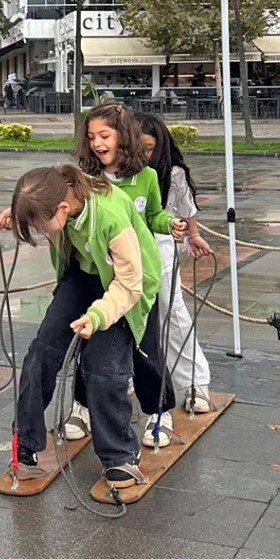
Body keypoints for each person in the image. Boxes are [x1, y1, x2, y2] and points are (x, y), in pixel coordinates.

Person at [0, 165, 146, 490]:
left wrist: (99, 316)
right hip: (83, 275)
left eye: (38, 225)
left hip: (126, 286)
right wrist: (21, 213)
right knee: (42, 352)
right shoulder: (58, 195)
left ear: (63, 208)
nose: (38, 231)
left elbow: (132, 283)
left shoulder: (109, 215)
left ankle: (121, 455)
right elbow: (42, 200)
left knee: (101, 366)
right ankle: (26, 445)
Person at [73, 103, 185, 448]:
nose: (96, 143)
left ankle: (160, 411)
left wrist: (171, 224)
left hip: (137, 278)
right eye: (91, 137)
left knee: (145, 345)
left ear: (123, 137)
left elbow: (153, 216)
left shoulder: (147, 177)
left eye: (104, 135)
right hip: (99, 275)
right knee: (90, 340)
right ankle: (82, 408)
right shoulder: (86, 179)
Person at [137, 113, 214, 413]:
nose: (144, 154)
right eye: (138, 146)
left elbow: (187, 208)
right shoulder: (120, 170)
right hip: (121, 249)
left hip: (160, 245)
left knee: (172, 311)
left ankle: (195, 381)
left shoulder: (172, 173)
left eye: (149, 147)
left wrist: (193, 235)